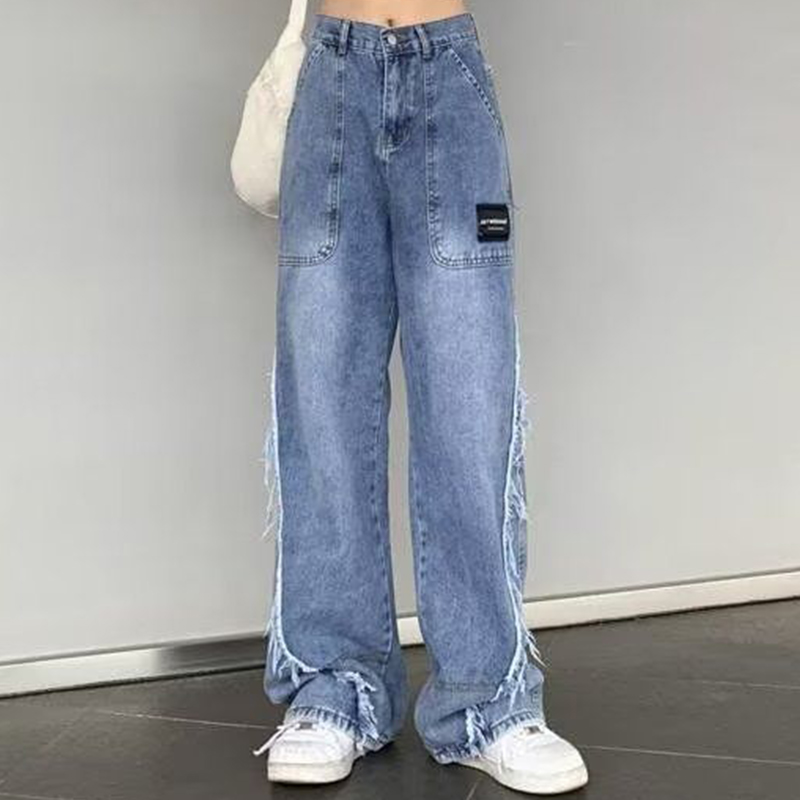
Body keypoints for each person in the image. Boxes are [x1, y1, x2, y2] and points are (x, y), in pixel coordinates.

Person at [252, 0, 589, 793]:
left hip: (450, 73)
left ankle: (487, 703)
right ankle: (333, 686)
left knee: (470, 404)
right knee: (322, 400)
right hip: (330, 79)